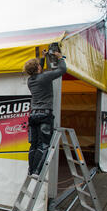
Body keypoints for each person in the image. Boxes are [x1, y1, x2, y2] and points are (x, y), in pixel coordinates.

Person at [23, 50, 67, 179]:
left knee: (34, 145)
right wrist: (60, 57)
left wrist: (43, 58)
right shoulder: (45, 77)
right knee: (43, 145)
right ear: (38, 68)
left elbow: (39, 71)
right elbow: (62, 70)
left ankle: (31, 170)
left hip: (33, 115)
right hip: (44, 115)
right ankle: (37, 171)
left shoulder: (30, 80)